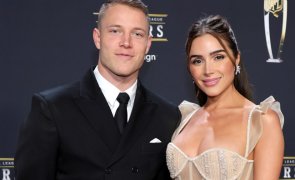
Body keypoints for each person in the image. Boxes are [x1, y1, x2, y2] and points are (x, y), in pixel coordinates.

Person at [14, 0, 181, 179]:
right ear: (97, 38)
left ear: (148, 44)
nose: (126, 42)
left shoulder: (167, 116)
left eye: (137, 34)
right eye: (115, 31)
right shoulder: (53, 109)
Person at [166, 15, 284, 180]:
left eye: (218, 57)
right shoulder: (184, 118)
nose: (208, 70)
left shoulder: (262, 121)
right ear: (189, 67)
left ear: (236, 59)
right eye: (197, 61)